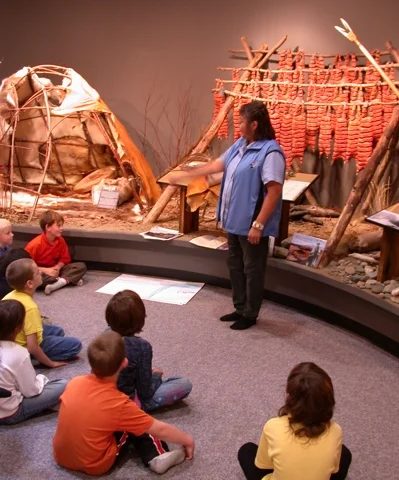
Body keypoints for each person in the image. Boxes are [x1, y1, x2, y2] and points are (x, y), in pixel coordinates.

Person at [169, 101, 285, 330]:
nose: (238, 125)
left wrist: (259, 225)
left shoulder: (271, 152)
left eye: (241, 121)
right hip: (234, 222)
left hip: (252, 226)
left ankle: (250, 314)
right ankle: (240, 307)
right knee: (236, 266)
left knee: (253, 270)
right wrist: (188, 174)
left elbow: (274, 192)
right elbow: (216, 166)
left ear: (254, 124)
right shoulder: (240, 145)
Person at [53, 331, 195, 476]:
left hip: (60, 455)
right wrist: (187, 440)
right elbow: (160, 430)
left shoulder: (74, 382)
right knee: (136, 422)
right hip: (95, 464)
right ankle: (157, 454)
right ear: (124, 362)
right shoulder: (119, 404)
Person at [237, 362, 352, 480]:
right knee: (345, 454)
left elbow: (263, 465)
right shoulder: (336, 431)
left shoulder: (273, 427)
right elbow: (334, 470)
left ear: (288, 394)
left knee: (246, 451)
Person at [106, 289, 192, 412]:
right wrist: (156, 376)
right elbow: (145, 392)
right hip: (126, 402)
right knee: (184, 384)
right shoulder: (141, 346)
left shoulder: (105, 335)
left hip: (102, 395)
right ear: (140, 319)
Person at [3, 258, 82, 367]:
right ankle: (34, 359)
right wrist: (51, 364)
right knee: (76, 345)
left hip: (16, 339)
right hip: (25, 347)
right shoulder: (30, 308)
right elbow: (32, 346)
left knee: (58, 331)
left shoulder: (10, 295)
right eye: (37, 272)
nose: (41, 272)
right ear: (30, 283)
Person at [0, 299, 67, 425]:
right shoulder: (19, 353)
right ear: (18, 328)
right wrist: (41, 378)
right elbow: (31, 391)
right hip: (10, 413)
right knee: (64, 384)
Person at [25, 210, 87, 295]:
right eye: (58, 226)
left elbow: (64, 259)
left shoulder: (61, 240)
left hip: (56, 270)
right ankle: (67, 280)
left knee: (81, 266)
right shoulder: (35, 244)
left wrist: (57, 267)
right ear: (48, 227)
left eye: (62, 225)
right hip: (41, 272)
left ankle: (57, 283)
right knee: (37, 279)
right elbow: (26, 266)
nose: (62, 228)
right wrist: (46, 270)